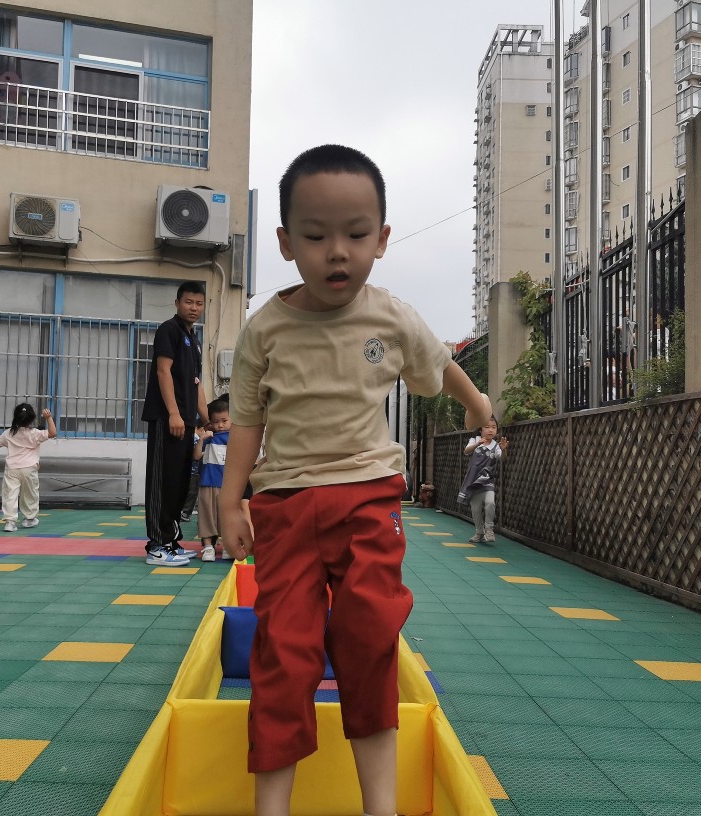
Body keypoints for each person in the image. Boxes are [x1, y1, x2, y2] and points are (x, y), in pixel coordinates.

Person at [218, 144, 493, 816]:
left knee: (369, 636)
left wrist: (478, 404)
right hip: (284, 504)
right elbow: (247, 421)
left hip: (368, 497)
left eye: (356, 235)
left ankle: (380, 806)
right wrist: (230, 501)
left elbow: (439, 363)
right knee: (284, 651)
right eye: (315, 237)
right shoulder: (264, 331)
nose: (336, 252)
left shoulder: (390, 316)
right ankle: (271, 808)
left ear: (382, 239)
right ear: (286, 243)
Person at [142, 281, 211, 566]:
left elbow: (196, 384)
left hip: (186, 422)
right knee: (161, 481)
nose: (194, 308)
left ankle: (171, 541)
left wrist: (207, 420)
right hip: (167, 418)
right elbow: (163, 371)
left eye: (199, 303)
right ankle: (157, 545)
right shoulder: (168, 330)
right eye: (188, 302)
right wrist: (173, 413)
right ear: (177, 303)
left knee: (178, 482)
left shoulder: (193, 340)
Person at [0, 403, 56, 533]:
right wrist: (48, 418)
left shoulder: (8, 433)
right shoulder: (35, 433)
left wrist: (10, 443)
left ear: (16, 417)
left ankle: (10, 522)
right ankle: (29, 519)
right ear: (32, 418)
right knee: (30, 494)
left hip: (12, 468)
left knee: (10, 494)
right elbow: (52, 433)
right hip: (29, 468)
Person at [458, 417, 508, 543]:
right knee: (475, 509)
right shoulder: (474, 440)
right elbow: (466, 451)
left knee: (490, 503)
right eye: (487, 427)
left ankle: (489, 529)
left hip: (487, 481)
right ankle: (479, 532)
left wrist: (504, 450)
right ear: (480, 429)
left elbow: (502, 459)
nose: (491, 430)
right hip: (473, 481)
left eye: (494, 427)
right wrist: (478, 444)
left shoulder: (496, 446)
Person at [193, 396, 231, 562]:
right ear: (210, 422)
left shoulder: (236, 438)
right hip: (208, 483)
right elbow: (196, 456)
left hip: (228, 485)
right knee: (206, 515)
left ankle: (227, 545)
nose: (220, 425)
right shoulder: (209, 437)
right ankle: (208, 547)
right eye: (216, 422)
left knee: (227, 517)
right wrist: (201, 439)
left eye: (224, 421)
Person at [180, 430, 201, 523]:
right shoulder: (196, 439)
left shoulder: (188, 437)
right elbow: (196, 455)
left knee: (187, 491)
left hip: (187, 470)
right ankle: (186, 513)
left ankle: (183, 512)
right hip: (194, 470)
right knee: (192, 493)